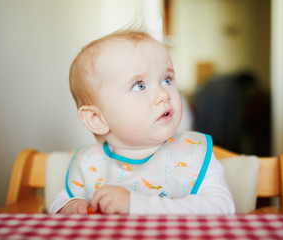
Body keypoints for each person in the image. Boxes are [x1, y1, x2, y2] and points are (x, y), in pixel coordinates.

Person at [49, 28, 235, 214]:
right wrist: (69, 206)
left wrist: (136, 205)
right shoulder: (88, 163)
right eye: (139, 85)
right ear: (97, 119)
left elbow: (222, 208)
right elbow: (60, 201)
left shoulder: (194, 152)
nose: (163, 94)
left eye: (167, 80)